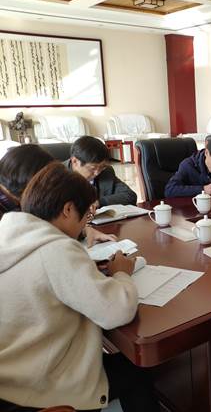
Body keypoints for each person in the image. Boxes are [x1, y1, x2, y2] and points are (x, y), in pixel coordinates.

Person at [0, 163, 159, 411]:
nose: (85, 224)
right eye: (87, 217)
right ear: (68, 209)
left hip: (10, 377)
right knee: (138, 371)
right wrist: (120, 272)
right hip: (39, 386)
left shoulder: (9, 233)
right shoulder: (57, 250)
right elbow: (117, 311)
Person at [0, 144, 115, 247]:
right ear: (31, 184)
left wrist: (84, 230)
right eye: (45, 183)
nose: (48, 190)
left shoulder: (21, 199)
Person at [65, 136, 137, 207]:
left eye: (102, 167)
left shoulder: (106, 171)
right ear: (75, 161)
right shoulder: (59, 176)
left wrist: (99, 202)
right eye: (93, 168)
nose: (97, 173)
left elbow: (130, 196)